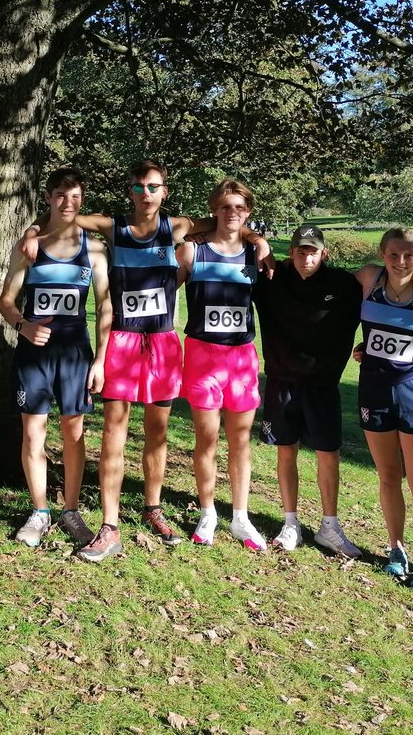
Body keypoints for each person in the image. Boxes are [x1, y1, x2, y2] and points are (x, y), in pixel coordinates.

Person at [22, 160, 272, 562]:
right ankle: (110, 524)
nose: (146, 194)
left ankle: (153, 507)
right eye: (138, 187)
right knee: (113, 434)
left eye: (153, 187)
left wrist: (257, 239)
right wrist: (35, 231)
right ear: (131, 192)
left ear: (164, 192)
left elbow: (227, 221)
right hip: (121, 342)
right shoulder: (111, 225)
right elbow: (61, 213)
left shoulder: (177, 228)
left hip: (162, 343)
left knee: (157, 433)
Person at [0, 168, 112, 550]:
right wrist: (23, 325)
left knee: (74, 432)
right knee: (34, 433)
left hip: (76, 354)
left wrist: (99, 362)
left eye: (76, 196)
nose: (69, 203)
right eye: (62, 195)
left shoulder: (93, 249)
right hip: (34, 354)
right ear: (48, 198)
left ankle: (72, 509)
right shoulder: (28, 246)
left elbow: (106, 306)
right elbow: (6, 301)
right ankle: (40, 511)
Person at [252, 225, 363, 557]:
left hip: (323, 385)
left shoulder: (343, 284)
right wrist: (257, 239)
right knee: (286, 451)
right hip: (282, 381)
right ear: (291, 252)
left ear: (323, 254)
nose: (306, 257)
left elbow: (381, 279)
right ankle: (291, 523)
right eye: (300, 251)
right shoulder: (272, 278)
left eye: (312, 251)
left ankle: (330, 526)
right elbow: (229, 234)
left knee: (328, 454)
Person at [355, 227, 413, 592]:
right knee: (387, 476)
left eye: (409, 255)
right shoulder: (369, 277)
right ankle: (396, 549)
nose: (400, 261)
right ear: (383, 255)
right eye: (394, 254)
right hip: (374, 388)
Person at [177, 178, 268, 551]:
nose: (233, 214)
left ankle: (241, 517)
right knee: (207, 439)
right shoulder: (191, 251)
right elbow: (164, 289)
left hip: (241, 357)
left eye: (240, 208)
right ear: (214, 208)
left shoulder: (257, 255)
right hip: (202, 354)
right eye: (226, 207)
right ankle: (208, 511)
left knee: (240, 440)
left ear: (248, 212)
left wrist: (257, 239)